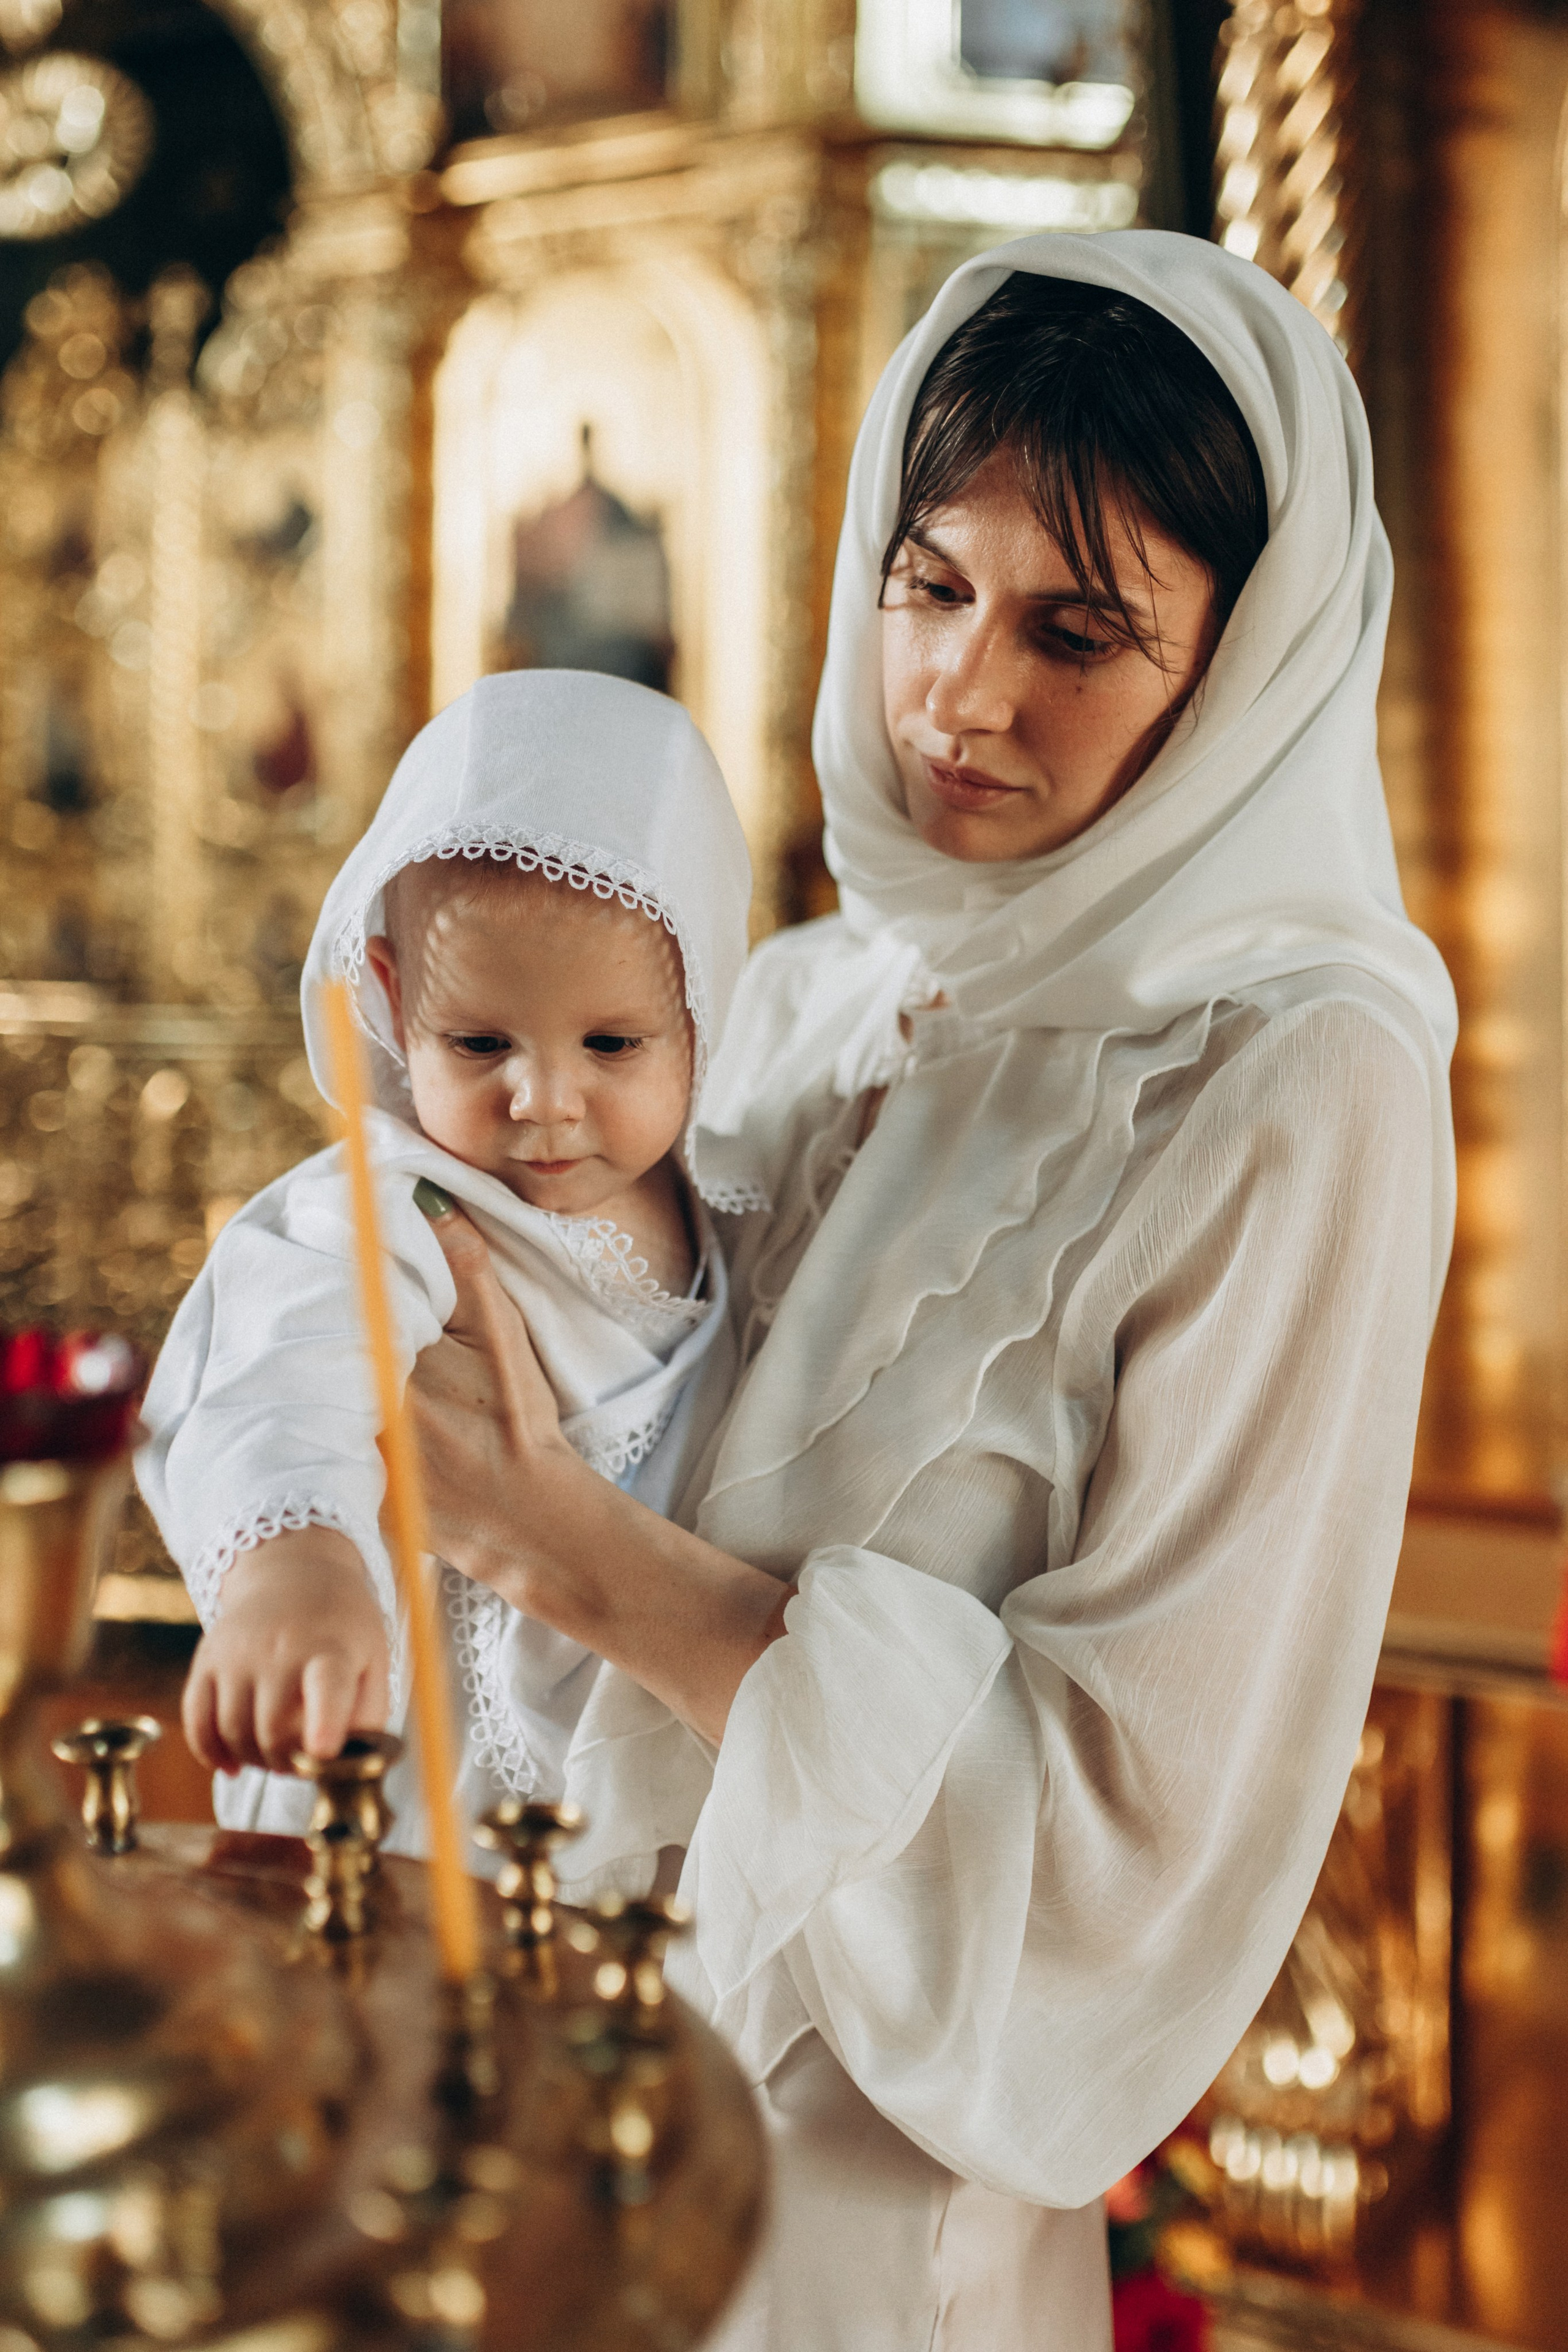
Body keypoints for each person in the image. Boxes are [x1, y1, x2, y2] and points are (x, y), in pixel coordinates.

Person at [400, 232, 1457, 2349]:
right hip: (557, 2126)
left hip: (860, 2246)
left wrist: (581, 1558)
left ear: (1248, 666)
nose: (967, 696)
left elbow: (1120, 1849)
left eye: (1082, 628)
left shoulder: (1295, 1086)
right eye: (931, 587)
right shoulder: (804, 1006)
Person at [137, 668, 760, 1851]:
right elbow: (285, 1372)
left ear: (701, 1012)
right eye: (478, 1042)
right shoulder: (400, 1206)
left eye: (613, 1043)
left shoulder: (726, 1205)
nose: (545, 1101)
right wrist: (296, 1567)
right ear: (387, 999)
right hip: (421, 1754)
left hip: (621, 1747)